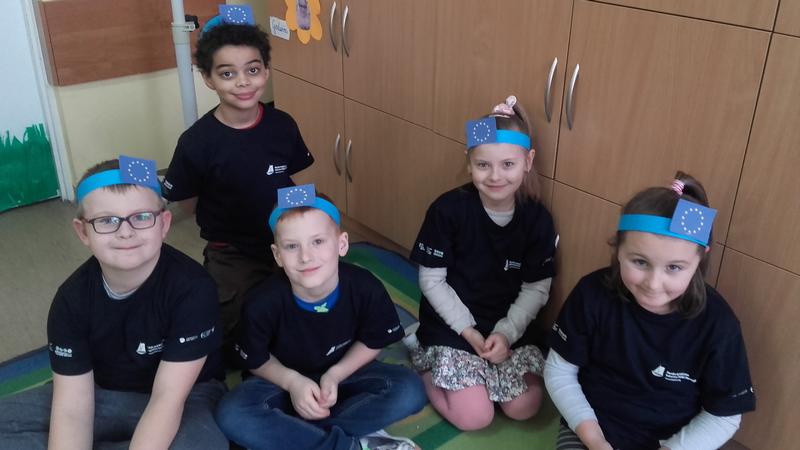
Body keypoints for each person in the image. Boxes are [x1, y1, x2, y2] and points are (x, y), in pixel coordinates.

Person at [0, 157, 227, 450]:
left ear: (163, 224)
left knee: (201, 443)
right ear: (83, 232)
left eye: (141, 217)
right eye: (106, 221)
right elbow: (72, 407)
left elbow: (168, 399)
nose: (125, 232)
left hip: (185, 396)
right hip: (102, 392)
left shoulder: (193, 289)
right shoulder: (70, 300)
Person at [544, 172, 756, 450]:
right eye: (640, 262)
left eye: (674, 267)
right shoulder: (592, 294)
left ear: (700, 260)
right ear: (618, 249)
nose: (653, 284)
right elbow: (560, 371)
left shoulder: (719, 324)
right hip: (592, 427)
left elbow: (723, 416)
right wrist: (593, 437)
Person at [215, 185, 427, 450]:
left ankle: (301, 436)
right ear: (277, 255)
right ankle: (351, 444)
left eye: (317, 241)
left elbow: (373, 341)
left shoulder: (365, 288)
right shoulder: (262, 302)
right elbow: (256, 359)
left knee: (410, 390)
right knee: (232, 413)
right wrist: (293, 382)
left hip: (344, 376)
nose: (305, 256)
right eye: (292, 246)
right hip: (281, 384)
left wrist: (336, 374)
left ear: (342, 244)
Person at [162, 18, 314, 358]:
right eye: (228, 73)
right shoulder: (196, 142)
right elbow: (186, 201)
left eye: (253, 70)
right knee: (232, 332)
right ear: (208, 78)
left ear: (266, 71)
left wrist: (305, 231)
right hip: (231, 251)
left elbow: (299, 181)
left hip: (285, 239)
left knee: (306, 306)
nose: (243, 82)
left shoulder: (282, 125)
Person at [405, 96, 557, 431]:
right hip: (454, 327)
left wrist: (506, 333)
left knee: (525, 407)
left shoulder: (537, 219)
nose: (495, 176)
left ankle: (481, 376)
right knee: (475, 417)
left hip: (507, 327)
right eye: (483, 165)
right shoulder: (448, 210)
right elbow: (431, 280)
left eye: (508, 164)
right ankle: (426, 364)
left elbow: (536, 287)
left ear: (528, 161)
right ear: (469, 162)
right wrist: (467, 330)